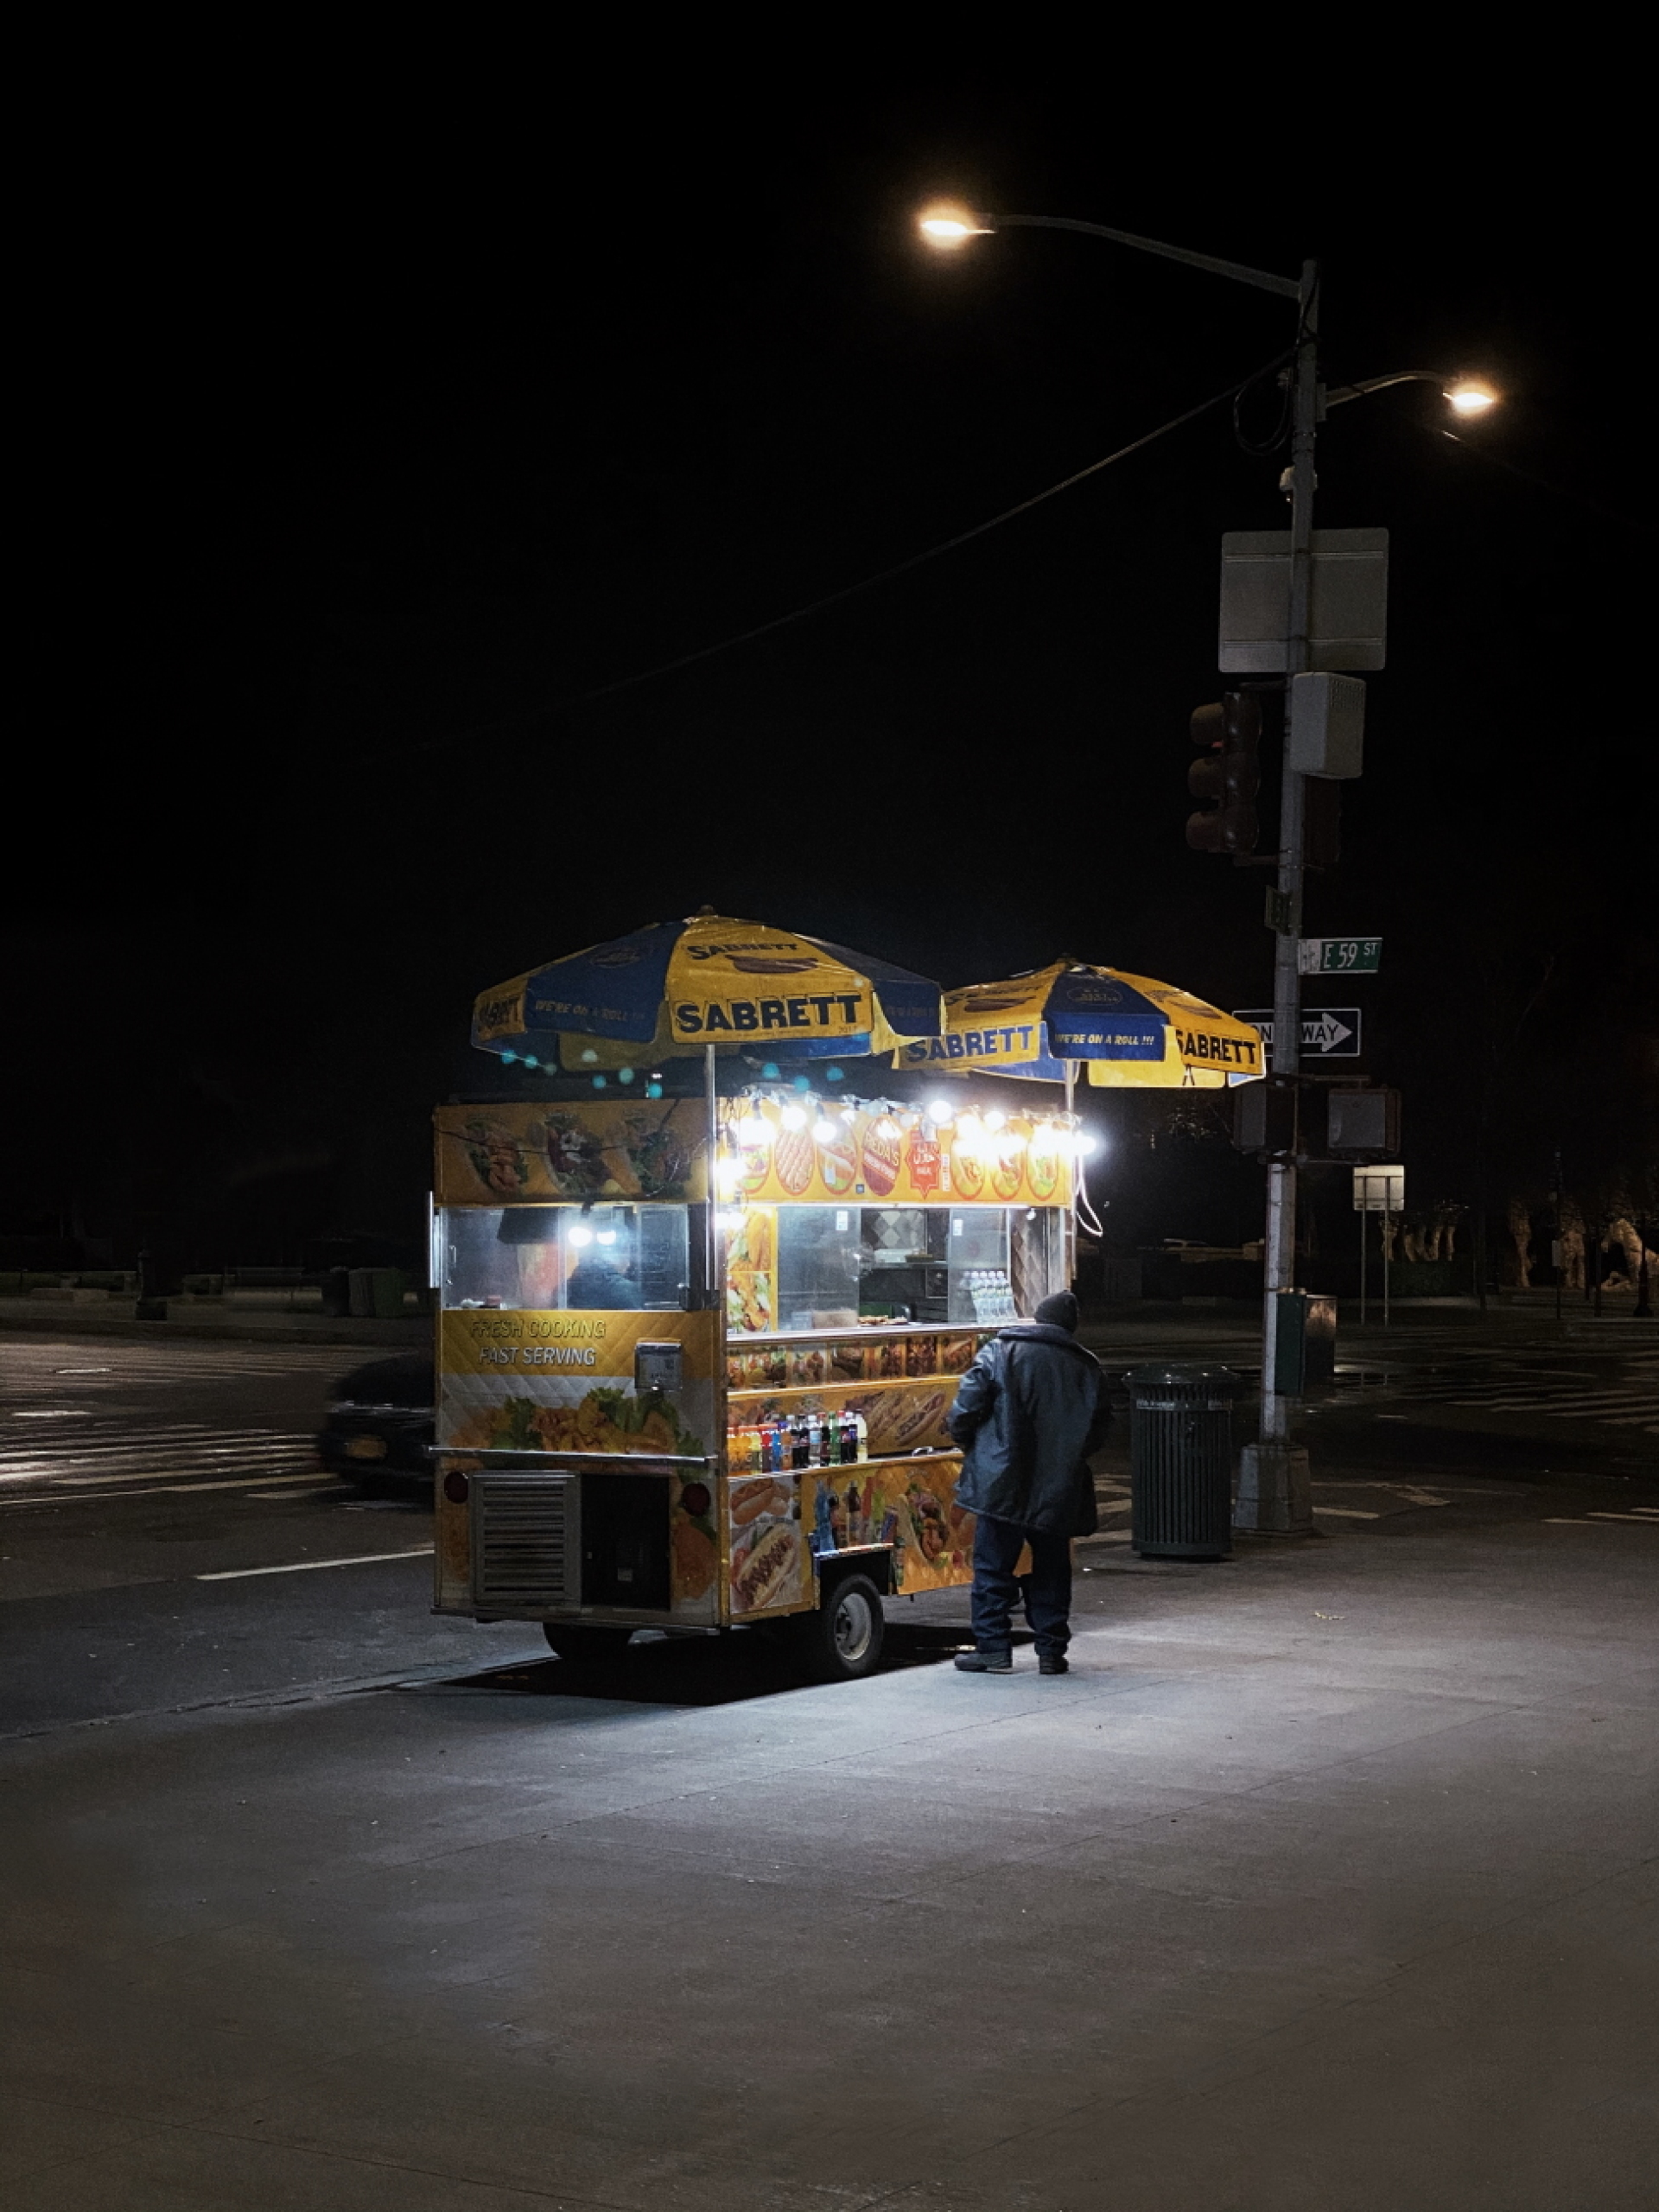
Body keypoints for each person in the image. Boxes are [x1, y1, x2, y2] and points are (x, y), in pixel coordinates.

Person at [947, 1289, 1110, 1675]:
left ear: (1037, 1319)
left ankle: (993, 1649)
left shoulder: (1000, 1353)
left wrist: (971, 1444)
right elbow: (1099, 1428)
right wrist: (1069, 1457)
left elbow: (965, 1409)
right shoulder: (1088, 1368)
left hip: (1002, 1480)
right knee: (1053, 1566)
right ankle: (1052, 1652)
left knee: (993, 1566)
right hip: (1058, 1485)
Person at [566, 1250, 641, 1310]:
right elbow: (641, 1322)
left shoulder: (565, 1288)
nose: (628, 1265)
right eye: (625, 1258)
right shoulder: (625, 1288)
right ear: (612, 1260)